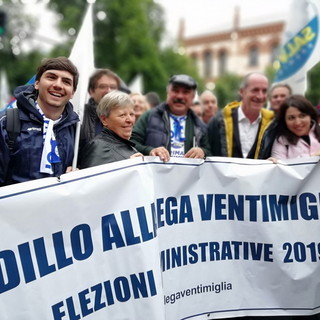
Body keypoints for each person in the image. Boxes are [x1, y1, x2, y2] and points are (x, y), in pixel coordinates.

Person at [0, 57, 79, 186]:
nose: (58, 85)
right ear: (37, 84)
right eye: (51, 77)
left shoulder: (76, 128)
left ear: (72, 93)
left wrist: (78, 174)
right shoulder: (6, 123)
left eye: (66, 81)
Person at [130, 74, 211, 161]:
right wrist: (150, 151)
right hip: (155, 173)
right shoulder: (149, 117)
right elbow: (132, 144)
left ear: (193, 96)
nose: (180, 96)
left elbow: (210, 153)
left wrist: (202, 152)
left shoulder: (199, 125)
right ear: (168, 91)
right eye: (175, 91)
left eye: (185, 92)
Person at [207, 72, 274, 159]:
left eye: (264, 91)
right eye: (255, 90)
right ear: (242, 92)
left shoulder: (272, 125)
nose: (260, 96)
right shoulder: (218, 121)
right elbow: (207, 149)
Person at [78, 91, 142, 169]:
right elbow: (93, 180)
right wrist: (128, 167)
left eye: (132, 114)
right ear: (104, 119)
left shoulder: (127, 145)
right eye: (122, 115)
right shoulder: (98, 147)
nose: (130, 120)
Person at [79, 69, 121, 150]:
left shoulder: (128, 116)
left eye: (113, 87)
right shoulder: (80, 115)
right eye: (102, 87)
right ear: (91, 91)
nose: (108, 91)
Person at [270, 95, 320, 160]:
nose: (297, 122)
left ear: (310, 116)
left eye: (302, 116)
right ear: (284, 121)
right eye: (291, 118)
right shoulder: (281, 141)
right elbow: (280, 168)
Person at [258, 84, 292, 159]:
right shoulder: (262, 122)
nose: (279, 99)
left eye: (283, 96)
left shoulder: (301, 122)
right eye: (275, 97)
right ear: (270, 100)